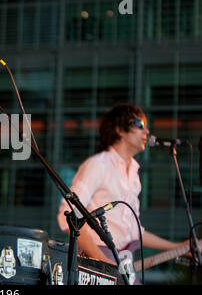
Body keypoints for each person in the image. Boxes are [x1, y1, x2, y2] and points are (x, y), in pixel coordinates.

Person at [56, 103, 190, 282]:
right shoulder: (98, 165)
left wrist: (180, 247)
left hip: (119, 263)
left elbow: (135, 233)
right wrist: (105, 264)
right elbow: (71, 217)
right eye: (140, 125)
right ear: (119, 129)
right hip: (97, 262)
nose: (146, 131)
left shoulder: (134, 172)